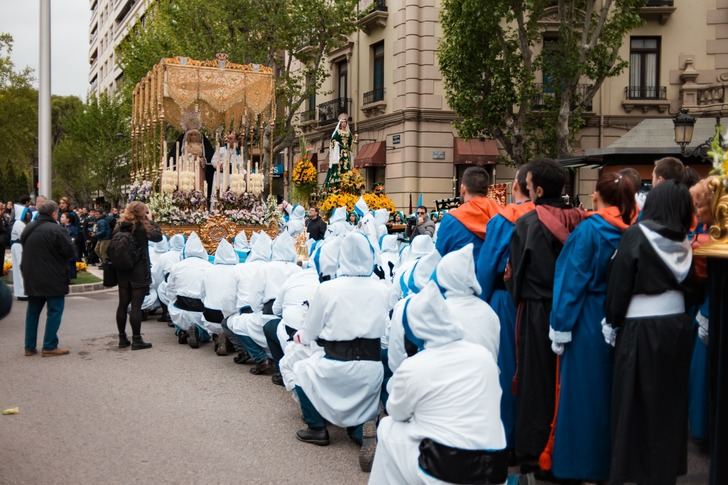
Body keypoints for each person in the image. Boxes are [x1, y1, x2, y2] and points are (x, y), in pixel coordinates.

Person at [605, 181, 699, 485]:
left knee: (634, 404)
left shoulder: (636, 235)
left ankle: (634, 471)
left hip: (640, 328)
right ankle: (662, 473)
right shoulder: (685, 241)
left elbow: (620, 284)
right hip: (677, 327)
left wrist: (611, 320)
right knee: (669, 405)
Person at [369, 282, 508, 485]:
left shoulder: (416, 365)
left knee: (388, 427)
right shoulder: (483, 356)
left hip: (446, 468)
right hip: (494, 469)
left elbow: (396, 411)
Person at [547, 172, 636, 482]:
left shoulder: (590, 231)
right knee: (611, 394)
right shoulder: (632, 231)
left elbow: (572, 280)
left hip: (586, 317)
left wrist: (560, 324)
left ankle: (581, 464)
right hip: (618, 317)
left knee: (582, 395)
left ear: (596, 195)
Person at [509, 159, 584, 463]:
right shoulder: (581, 219)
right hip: (575, 309)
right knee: (568, 380)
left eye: (527, 186)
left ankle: (535, 448)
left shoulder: (528, 223)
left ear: (537, 189)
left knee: (536, 380)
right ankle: (567, 445)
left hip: (538, 309)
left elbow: (515, 273)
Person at [292, 231, 388, 447]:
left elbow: (310, 331)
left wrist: (303, 338)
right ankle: (361, 432)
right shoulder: (382, 289)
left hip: (335, 364)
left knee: (301, 370)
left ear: (341, 257)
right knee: (361, 397)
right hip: (371, 367)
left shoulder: (327, 289)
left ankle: (316, 428)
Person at [475, 164, 534, 448]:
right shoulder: (565, 218)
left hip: (508, 301)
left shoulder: (505, 220)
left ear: (515, 187)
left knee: (509, 367)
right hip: (550, 305)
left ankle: (508, 438)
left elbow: (487, 265)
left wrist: (481, 298)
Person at [20, 200, 76, 357]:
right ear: (54, 213)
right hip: (53, 276)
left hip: (32, 274)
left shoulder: (29, 227)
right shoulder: (57, 230)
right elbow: (70, 252)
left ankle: (29, 346)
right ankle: (50, 346)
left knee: (33, 311)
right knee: (55, 311)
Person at [113, 201, 162, 350]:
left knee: (122, 304)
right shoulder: (143, 227)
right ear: (143, 213)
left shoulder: (119, 225)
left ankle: (122, 338)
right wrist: (150, 219)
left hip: (123, 270)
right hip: (139, 270)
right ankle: (137, 339)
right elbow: (158, 237)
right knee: (136, 306)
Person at [435, 166, 500, 260]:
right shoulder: (503, 216)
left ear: (462, 189)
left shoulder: (451, 219)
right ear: (487, 190)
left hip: (460, 273)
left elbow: (439, 255)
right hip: (496, 274)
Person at [166, 232, 211, 348]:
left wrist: (172, 300)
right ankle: (198, 332)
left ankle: (182, 331)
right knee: (208, 335)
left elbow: (170, 289)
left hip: (182, 305)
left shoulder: (177, 266)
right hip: (202, 307)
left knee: (171, 301)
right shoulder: (209, 266)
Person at [200, 239, 239, 353]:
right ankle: (227, 338)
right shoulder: (239, 271)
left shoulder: (208, 270)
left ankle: (216, 336)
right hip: (229, 318)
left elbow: (202, 295)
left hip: (210, 316)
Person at [155, 233, 185, 323]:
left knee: (161, 288)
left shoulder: (165, 256)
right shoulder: (185, 254)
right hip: (183, 283)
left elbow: (157, 274)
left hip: (169, 282)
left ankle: (165, 312)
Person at [324, 112, 354, 187]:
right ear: (340, 124)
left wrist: (352, 144)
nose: (344, 124)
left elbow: (351, 142)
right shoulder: (337, 132)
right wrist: (337, 144)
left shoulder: (348, 133)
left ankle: (347, 178)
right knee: (339, 164)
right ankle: (338, 179)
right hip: (339, 152)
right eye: (343, 122)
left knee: (347, 164)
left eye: (345, 122)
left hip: (346, 152)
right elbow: (333, 141)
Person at [10, 208, 32, 300]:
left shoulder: (21, 223)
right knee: (20, 270)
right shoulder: (19, 223)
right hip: (19, 247)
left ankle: (21, 292)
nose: (29, 215)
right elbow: (24, 235)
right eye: (27, 213)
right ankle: (23, 293)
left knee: (20, 270)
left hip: (20, 246)